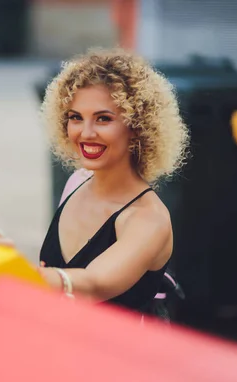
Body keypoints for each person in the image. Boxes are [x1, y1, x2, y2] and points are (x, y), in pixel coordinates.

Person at [37, 48, 189, 316]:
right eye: (75, 117)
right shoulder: (77, 182)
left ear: (137, 127)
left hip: (120, 357)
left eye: (103, 119)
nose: (85, 133)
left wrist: (15, 273)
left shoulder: (148, 219)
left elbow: (95, 285)